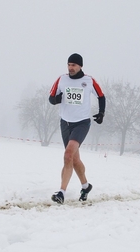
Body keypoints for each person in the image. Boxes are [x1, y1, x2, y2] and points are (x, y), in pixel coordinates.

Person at [48, 53, 106, 204]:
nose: (70, 68)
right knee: (74, 159)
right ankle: (86, 186)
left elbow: (101, 96)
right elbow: (52, 97)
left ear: (80, 66)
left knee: (68, 155)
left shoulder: (89, 80)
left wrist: (101, 113)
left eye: (73, 65)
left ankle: (61, 192)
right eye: (69, 65)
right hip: (65, 123)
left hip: (81, 123)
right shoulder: (61, 79)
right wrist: (56, 99)